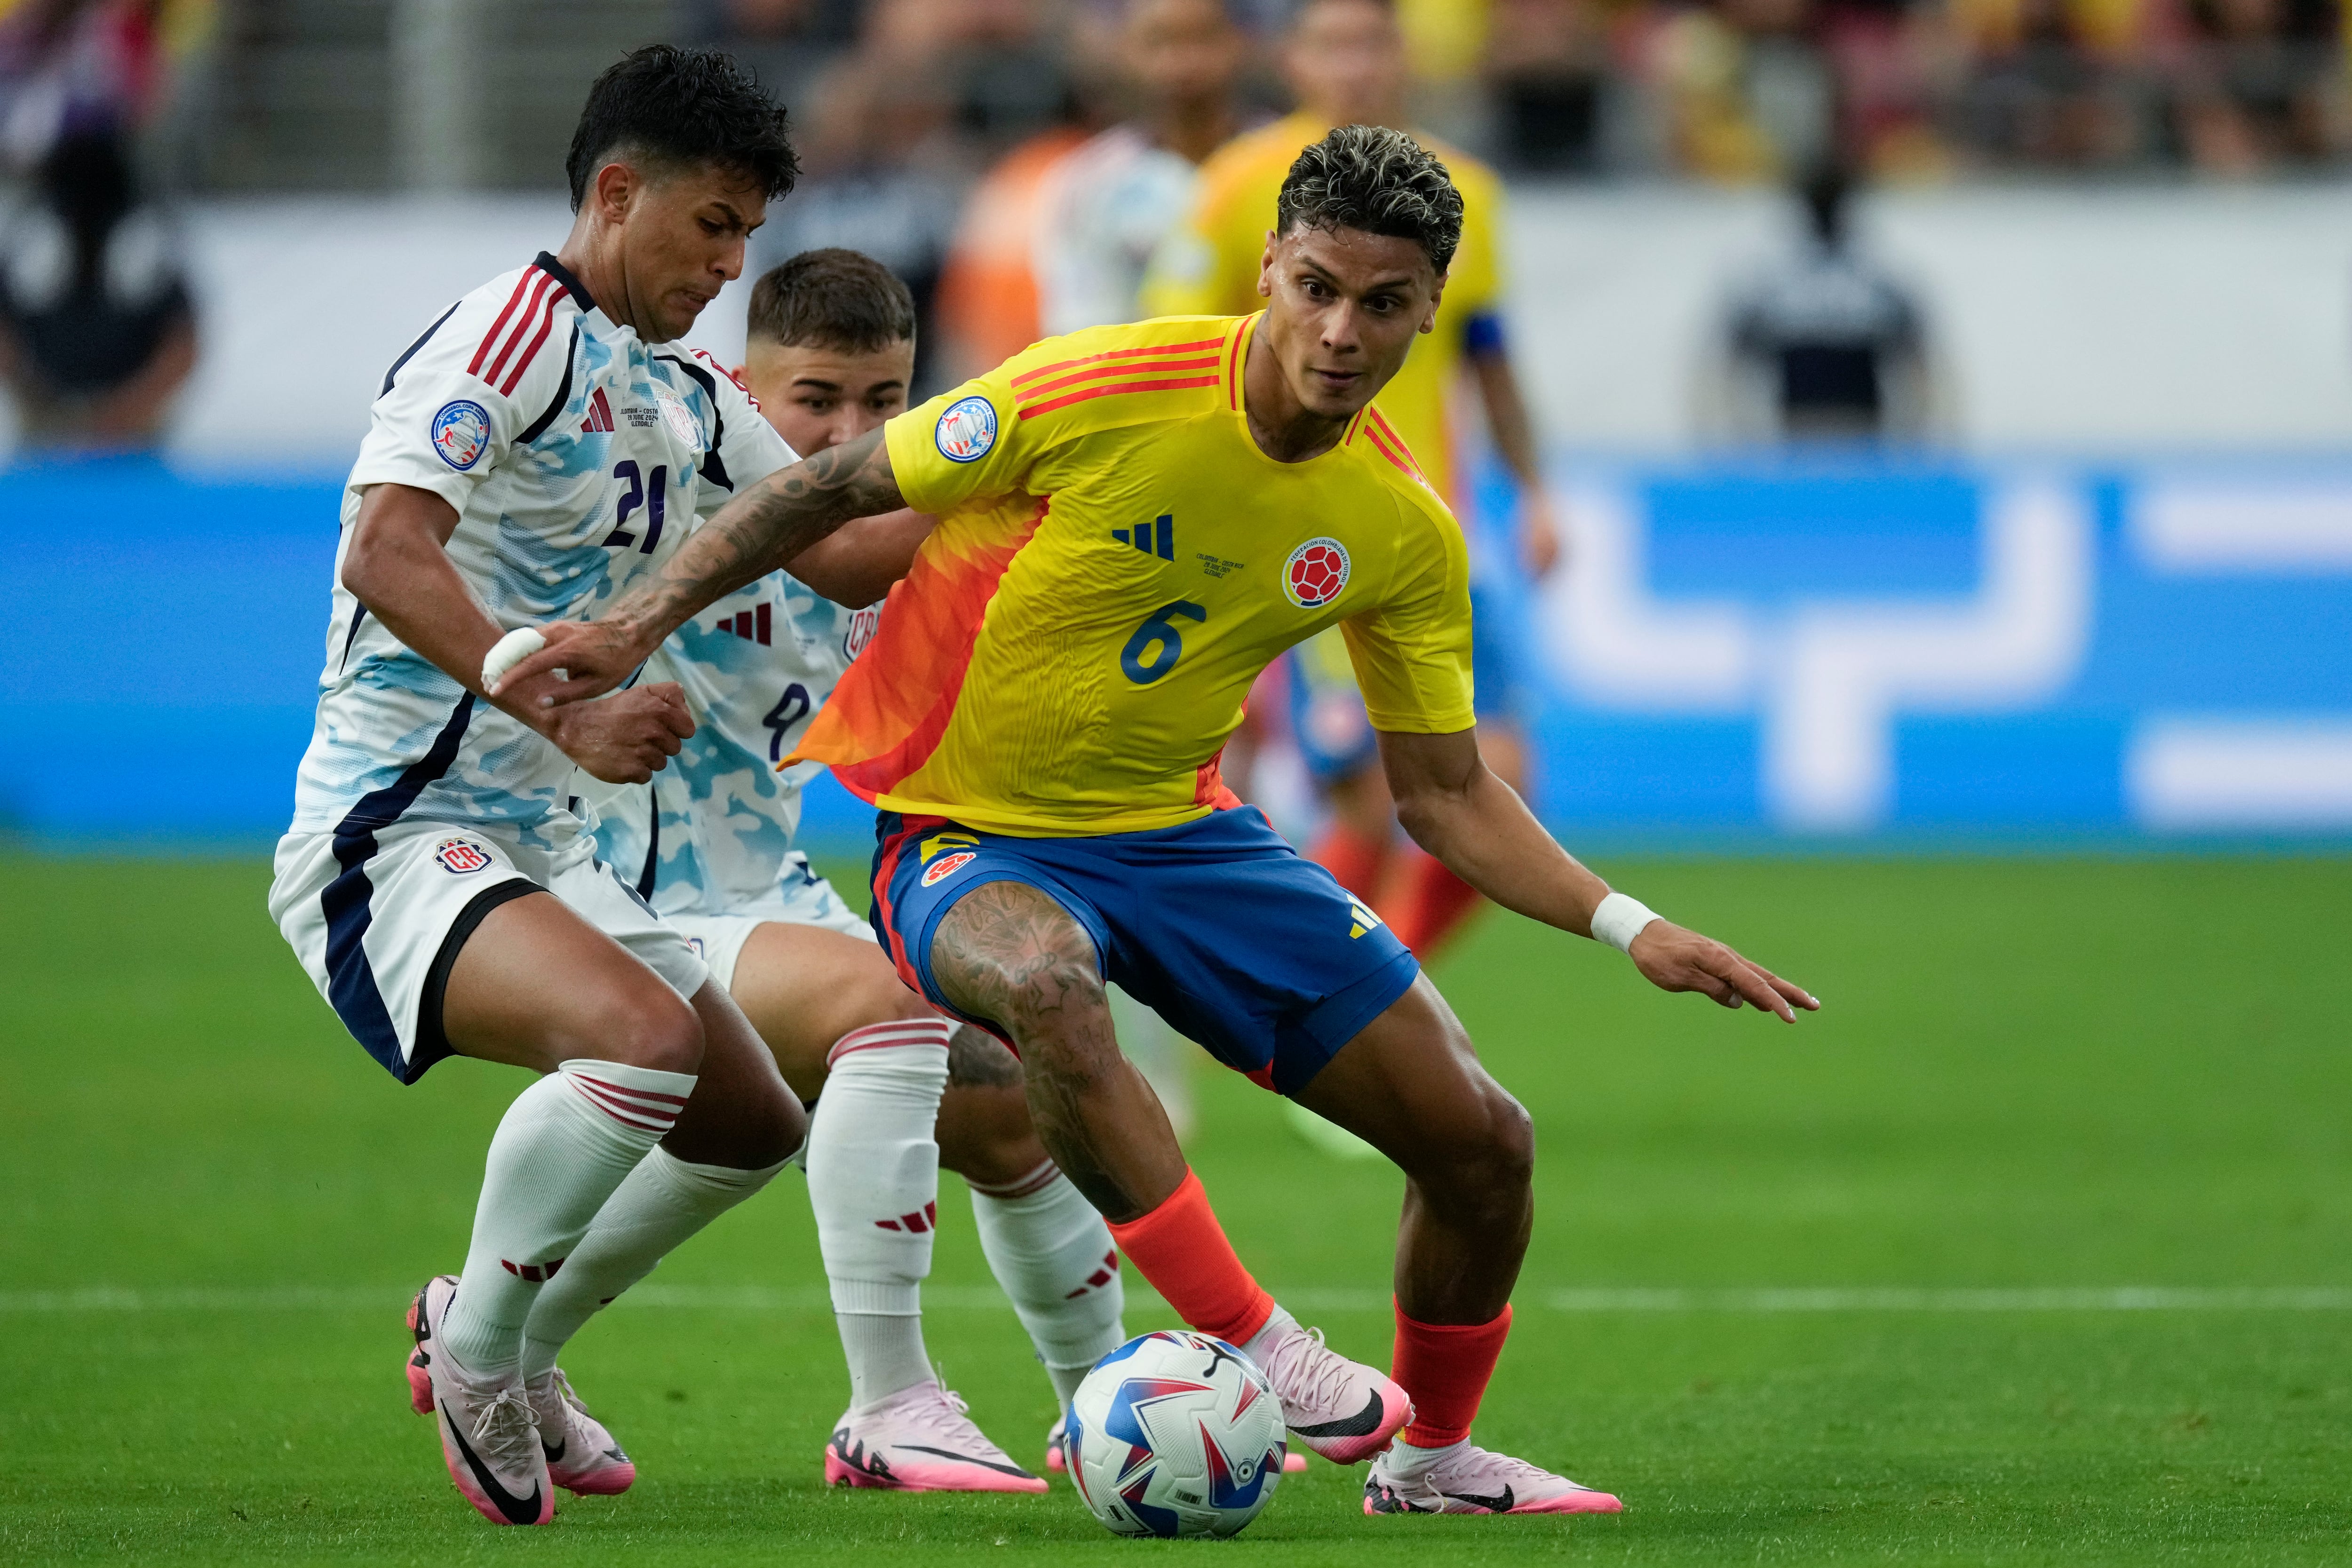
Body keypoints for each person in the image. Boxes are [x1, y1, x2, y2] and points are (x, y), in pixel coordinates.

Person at [498, 123, 1820, 1519]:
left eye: (1383, 304)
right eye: (1314, 286)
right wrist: (633, 622)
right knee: (1047, 984)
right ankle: (1254, 1341)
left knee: (1482, 1140)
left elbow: (1440, 794)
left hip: (1186, 843)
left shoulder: (1399, 527)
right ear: (1267, 267)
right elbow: (824, 487)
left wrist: (1630, 924)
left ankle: (1431, 1464)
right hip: (966, 835)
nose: (1340, 331)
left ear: (1428, 310)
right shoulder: (1098, 387)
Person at [266, 46, 809, 1527]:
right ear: (616, 191)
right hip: (396, 829)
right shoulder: (507, 337)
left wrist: (1013, 464)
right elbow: (385, 548)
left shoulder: (685, 385)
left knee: (749, 1121)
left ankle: (505, 1328)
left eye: (746, 237)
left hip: (537, 836)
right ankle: (483, 1357)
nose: (727, 264)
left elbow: (826, 536)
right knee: (638, 1039)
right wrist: (556, 707)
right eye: (710, 225)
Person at [568, 246, 1128, 1490]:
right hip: (621, 896)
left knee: (1015, 1098)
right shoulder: (680, 472)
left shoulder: (893, 503)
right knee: (899, 1017)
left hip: (763, 893)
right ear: (736, 380)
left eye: (885, 402)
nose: (849, 431)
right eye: (814, 398)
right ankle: (888, 1404)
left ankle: (1121, 1412)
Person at [1142, 0, 1560, 965]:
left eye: (1370, 42)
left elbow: (1488, 361)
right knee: (1374, 796)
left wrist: (1537, 492)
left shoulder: (1468, 195)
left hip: (1427, 529)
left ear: (1401, 56)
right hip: (1296, 532)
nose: (1353, 66)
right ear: (1292, 61)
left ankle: (1363, 1008)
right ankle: (1338, 1016)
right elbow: (1176, 353)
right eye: (1331, 44)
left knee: (1498, 780)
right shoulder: (1241, 186)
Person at [1032, 0, 1251, 337]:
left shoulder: (1289, 163)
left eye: (1201, 38)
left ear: (1238, 42)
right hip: (1138, 380)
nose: (1183, 62)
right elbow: (1081, 332)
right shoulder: (1088, 182)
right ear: (1125, 49)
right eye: (1159, 41)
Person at [1708, 162, 1936, 443]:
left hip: (1816, 430)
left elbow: (1729, 369)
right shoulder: (1878, 285)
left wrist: (1736, 443)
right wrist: (1917, 441)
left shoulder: (1772, 286)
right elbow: (1919, 368)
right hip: (1848, 432)